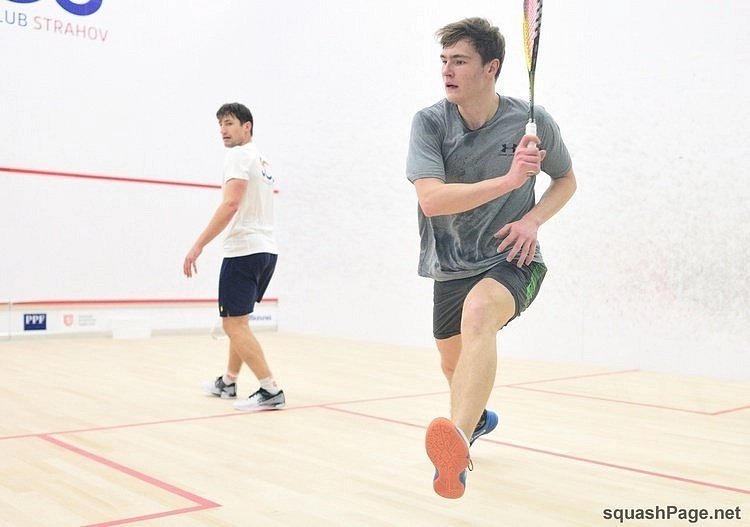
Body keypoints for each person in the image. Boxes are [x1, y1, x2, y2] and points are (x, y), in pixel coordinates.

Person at [406, 18, 576, 498]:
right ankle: (476, 419)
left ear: (491, 68)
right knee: (453, 366)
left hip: (512, 257)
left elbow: (566, 180)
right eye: (444, 61)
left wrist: (533, 220)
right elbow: (432, 200)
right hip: (449, 263)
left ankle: (456, 447)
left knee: (479, 313)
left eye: (459, 61)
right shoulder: (430, 123)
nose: (447, 70)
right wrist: (509, 180)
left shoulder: (531, 121)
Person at [183, 102, 285, 412]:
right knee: (237, 322)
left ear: (246, 126)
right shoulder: (261, 160)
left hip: (244, 251)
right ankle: (228, 381)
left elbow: (230, 204)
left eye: (229, 123)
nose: (223, 130)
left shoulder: (239, 156)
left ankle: (270, 390)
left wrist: (198, 245)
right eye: (220, 125)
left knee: (233, 326)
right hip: (266, 250)